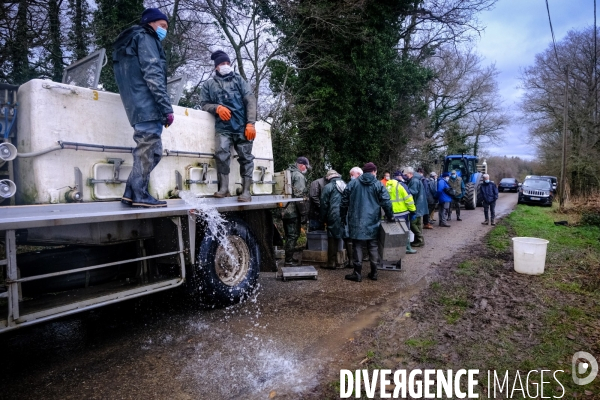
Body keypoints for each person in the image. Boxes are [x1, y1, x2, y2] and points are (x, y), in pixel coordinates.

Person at [113, 8, 173, 208]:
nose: (165, 31)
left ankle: (131, 192)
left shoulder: (130, 42)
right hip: (148, 105)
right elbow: (153, 74)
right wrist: (166, 107)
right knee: (147, 150)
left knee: (153, 152)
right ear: (151, 23)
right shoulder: (146, 38)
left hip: (137, 105)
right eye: (162, 26)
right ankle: (139, 194)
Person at [200, 50, 257, 202]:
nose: (225, 65)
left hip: (242, 126)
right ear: (216, 67)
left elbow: (250, 100)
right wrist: (216, 108)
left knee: (246, 158)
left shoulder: (239, 80)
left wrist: (250, 123)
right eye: (222, 63)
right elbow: (204, 104)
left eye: (227, 63)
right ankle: (224, 188)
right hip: (223, 127)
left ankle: (246, 191)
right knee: (221, 154)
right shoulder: (209, 84)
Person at [340, 162, 394, 282]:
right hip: (373, 220)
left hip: (356, 220)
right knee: (373, 245)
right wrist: (390, 216)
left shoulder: (353, 183)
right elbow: (386, 202)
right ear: (374, 172)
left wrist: (343, 216)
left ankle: (357, 273)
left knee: (357, 245)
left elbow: (344, 202)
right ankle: (374, 273)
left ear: (364, 172)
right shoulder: (378, 185)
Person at [281, 157, 310, 264]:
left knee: (289, 235)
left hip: (284, 209)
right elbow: (300, 197)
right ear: (302, 165)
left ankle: (289, 258)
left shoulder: (287, 173)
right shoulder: (298, 176)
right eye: (306, 166)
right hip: (292, 211)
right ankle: (288, 261)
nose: (306, 169)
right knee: (293, 235)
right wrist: (304, 214)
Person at [320, 170, 347, 268]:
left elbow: (324, 204)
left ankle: (331, 262)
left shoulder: (328, 187)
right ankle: (351, 261)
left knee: (332, 235)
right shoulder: (345, 184)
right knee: (347, 235)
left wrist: (322, 218)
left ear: (328, 177)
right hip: (346, 213)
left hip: (334, 213)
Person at [386, 171, 416, 259]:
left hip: (391, 213)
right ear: (399, 177)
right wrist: (413, 211)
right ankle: (407, 248)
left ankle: (393, 250)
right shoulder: (401, 185)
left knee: (392, 232)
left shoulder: (387, 185)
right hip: (403, 213)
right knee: (405, 231)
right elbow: (409, 199)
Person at [403, 167, 428, 248]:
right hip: (420, 205)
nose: (405, 176)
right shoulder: (417, 179)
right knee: (418, 224)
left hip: (417, 205)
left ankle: (420, 239)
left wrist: (404, 191)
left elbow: (412, 192)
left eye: (406, 175)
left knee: (413, 224)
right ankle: (418, 240)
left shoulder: (414, 181)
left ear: (410, 174)